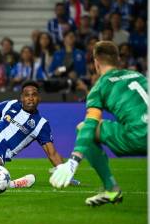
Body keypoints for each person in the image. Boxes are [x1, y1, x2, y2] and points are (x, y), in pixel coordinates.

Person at [50, 41, 147, 206]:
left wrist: (74, 160)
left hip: (139, 137)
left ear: (96, 62)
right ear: (118, 60)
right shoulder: (140, 76)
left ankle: (111, 189)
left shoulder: (100, 87)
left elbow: (89, 125)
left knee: (82, 127)